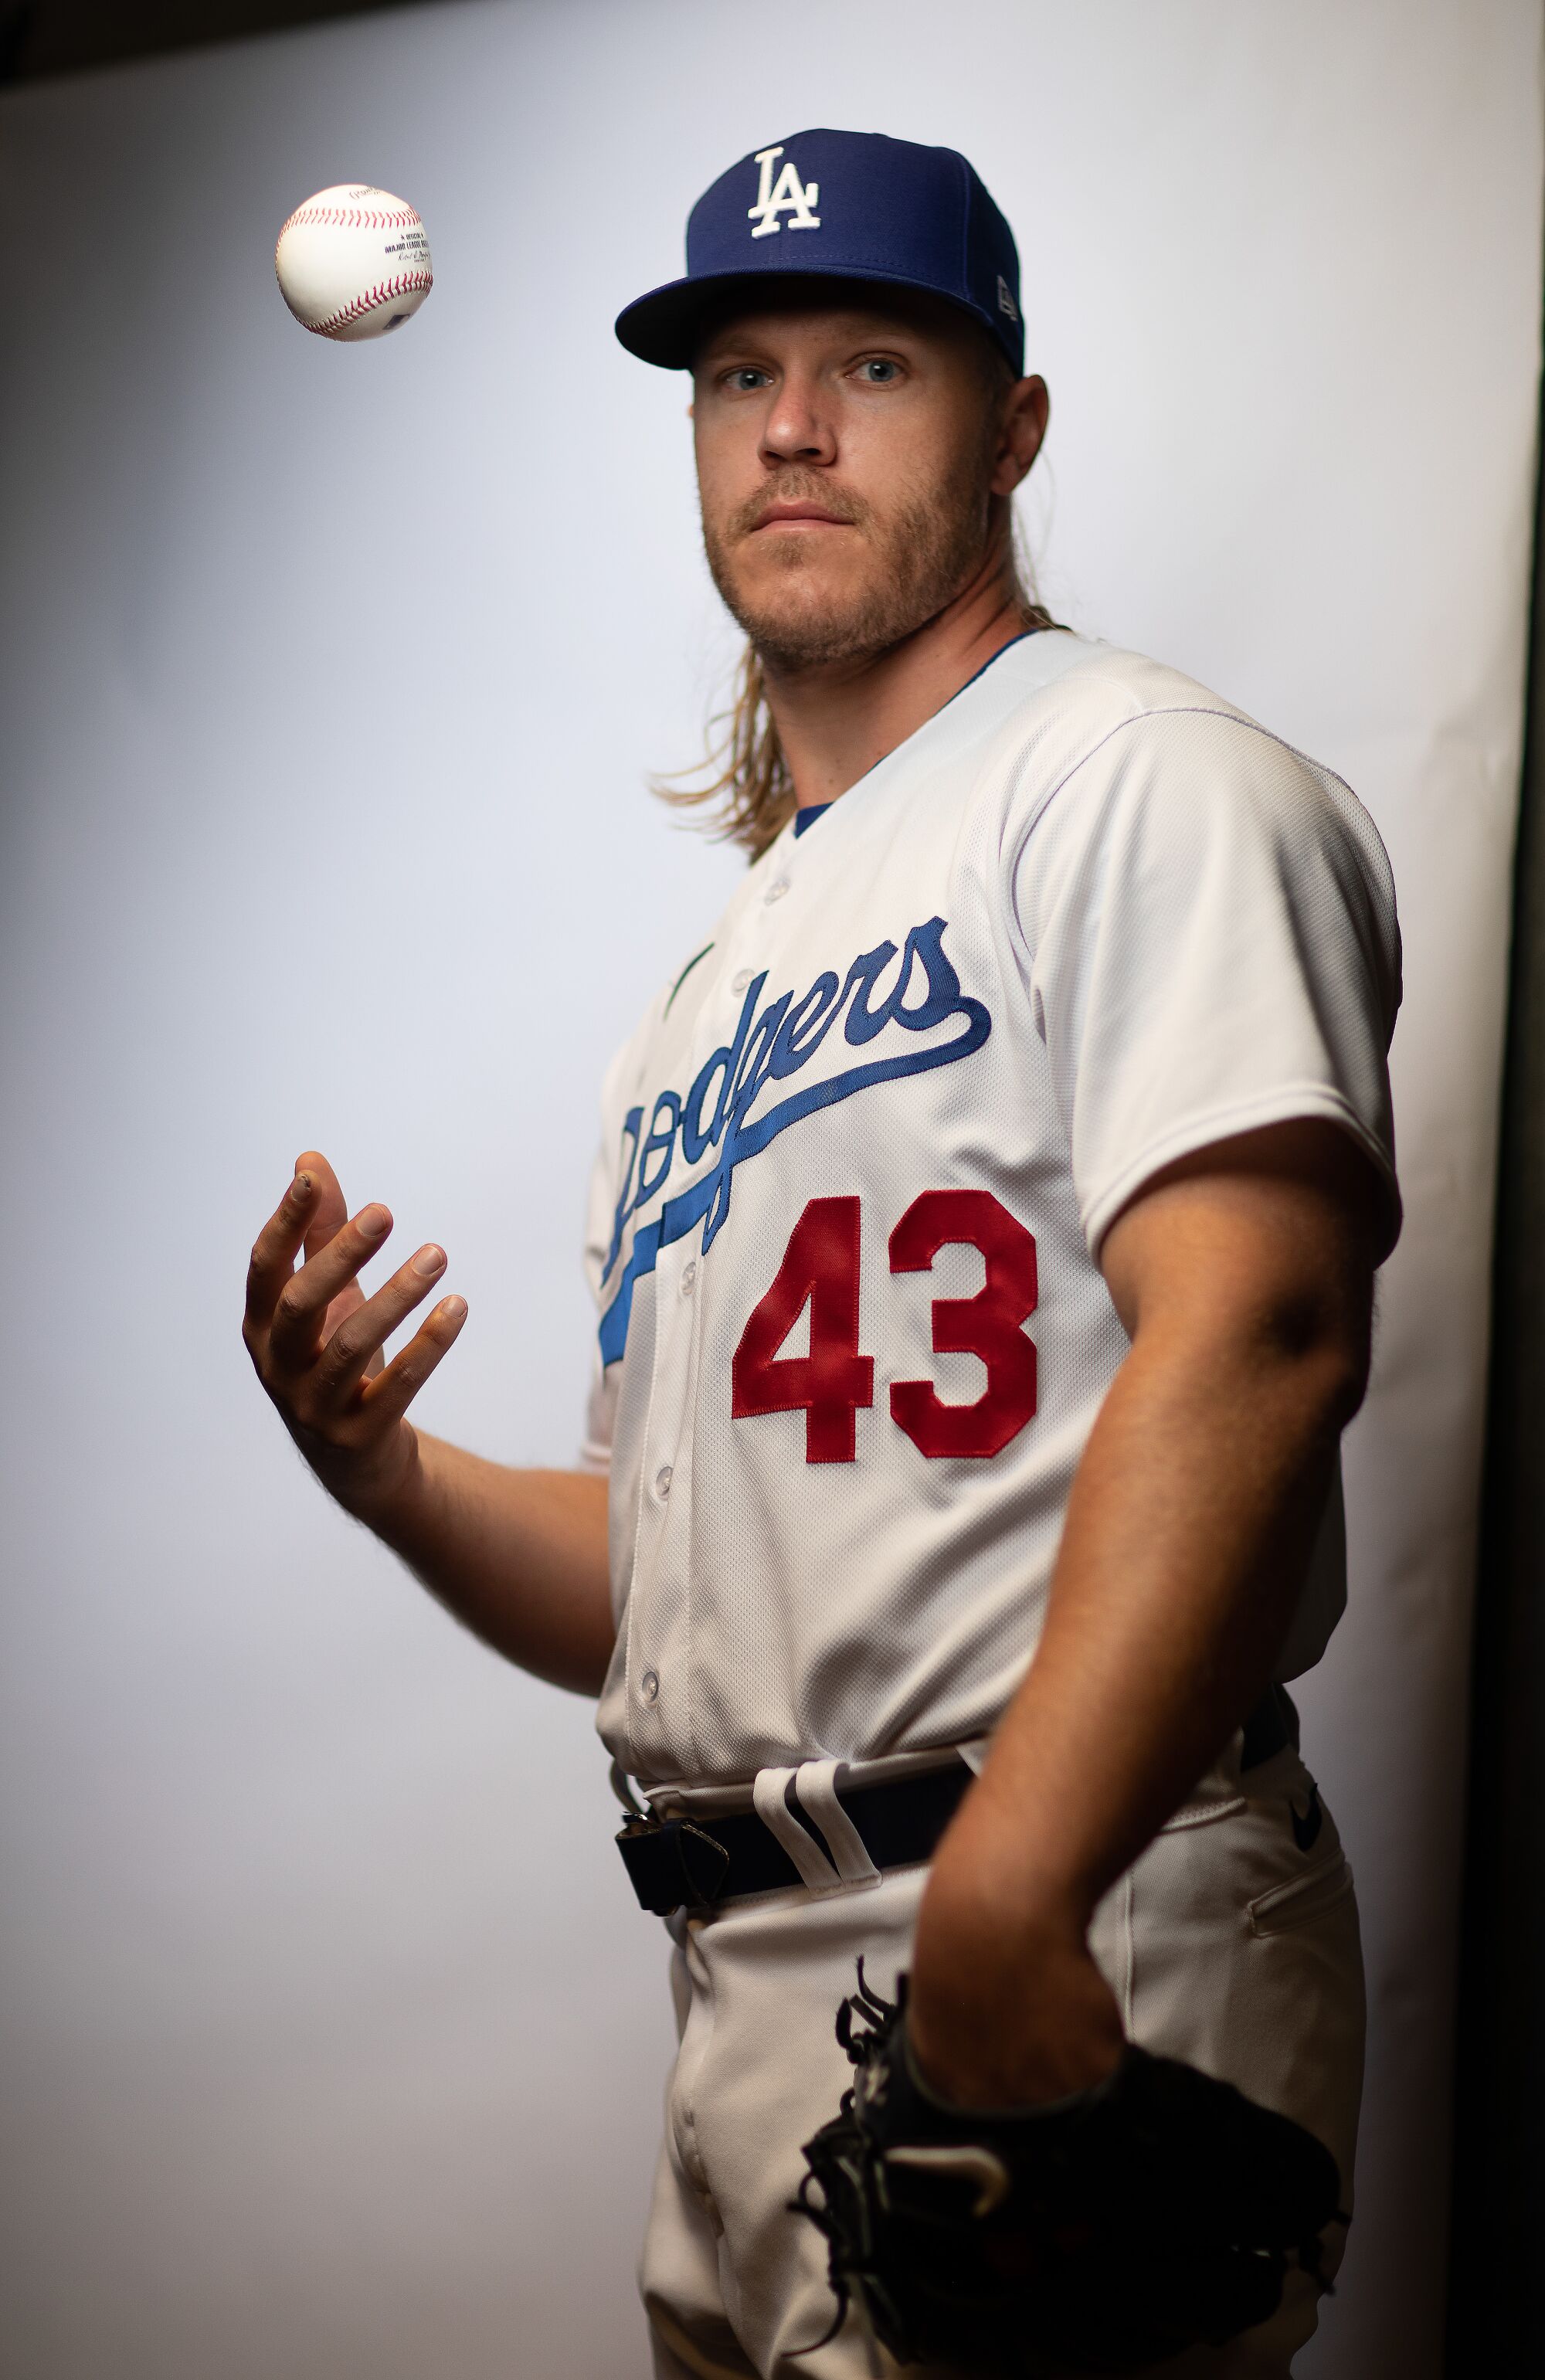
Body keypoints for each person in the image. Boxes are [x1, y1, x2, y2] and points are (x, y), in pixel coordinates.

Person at [243, 130, 1401, 2380]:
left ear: (1014, 429)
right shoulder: (704, 1001)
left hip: (1070, 1902)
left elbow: (1261, 1322)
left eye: (874, 359)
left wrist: (1012, 1886)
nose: (789, 423)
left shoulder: (1142, 780)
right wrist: (387, 1477)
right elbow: (676, 1598)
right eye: (735, 370)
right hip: (750, 1986)